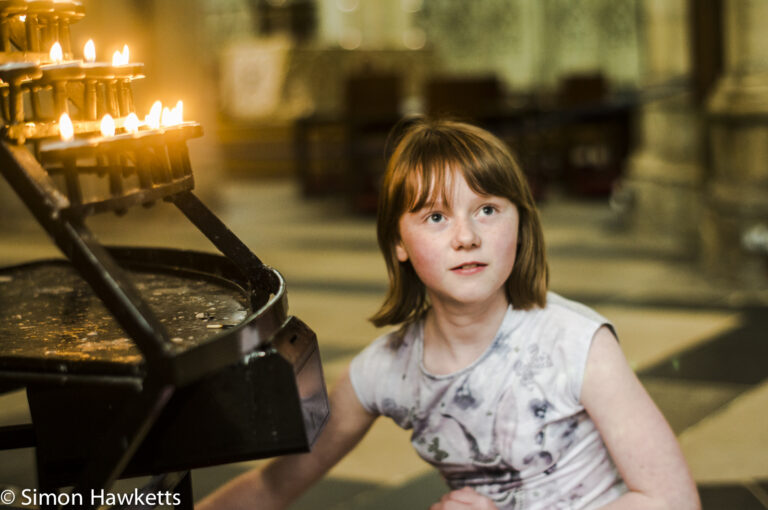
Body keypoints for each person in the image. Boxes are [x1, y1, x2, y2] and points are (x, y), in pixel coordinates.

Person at [198, 117, 700, 510]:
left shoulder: (577, 343)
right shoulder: (383, 371)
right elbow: (273, 486)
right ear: (398, 241)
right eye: (436, 217)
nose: (466, 236)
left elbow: (671, 500)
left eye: (487, 209)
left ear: (520, 224)